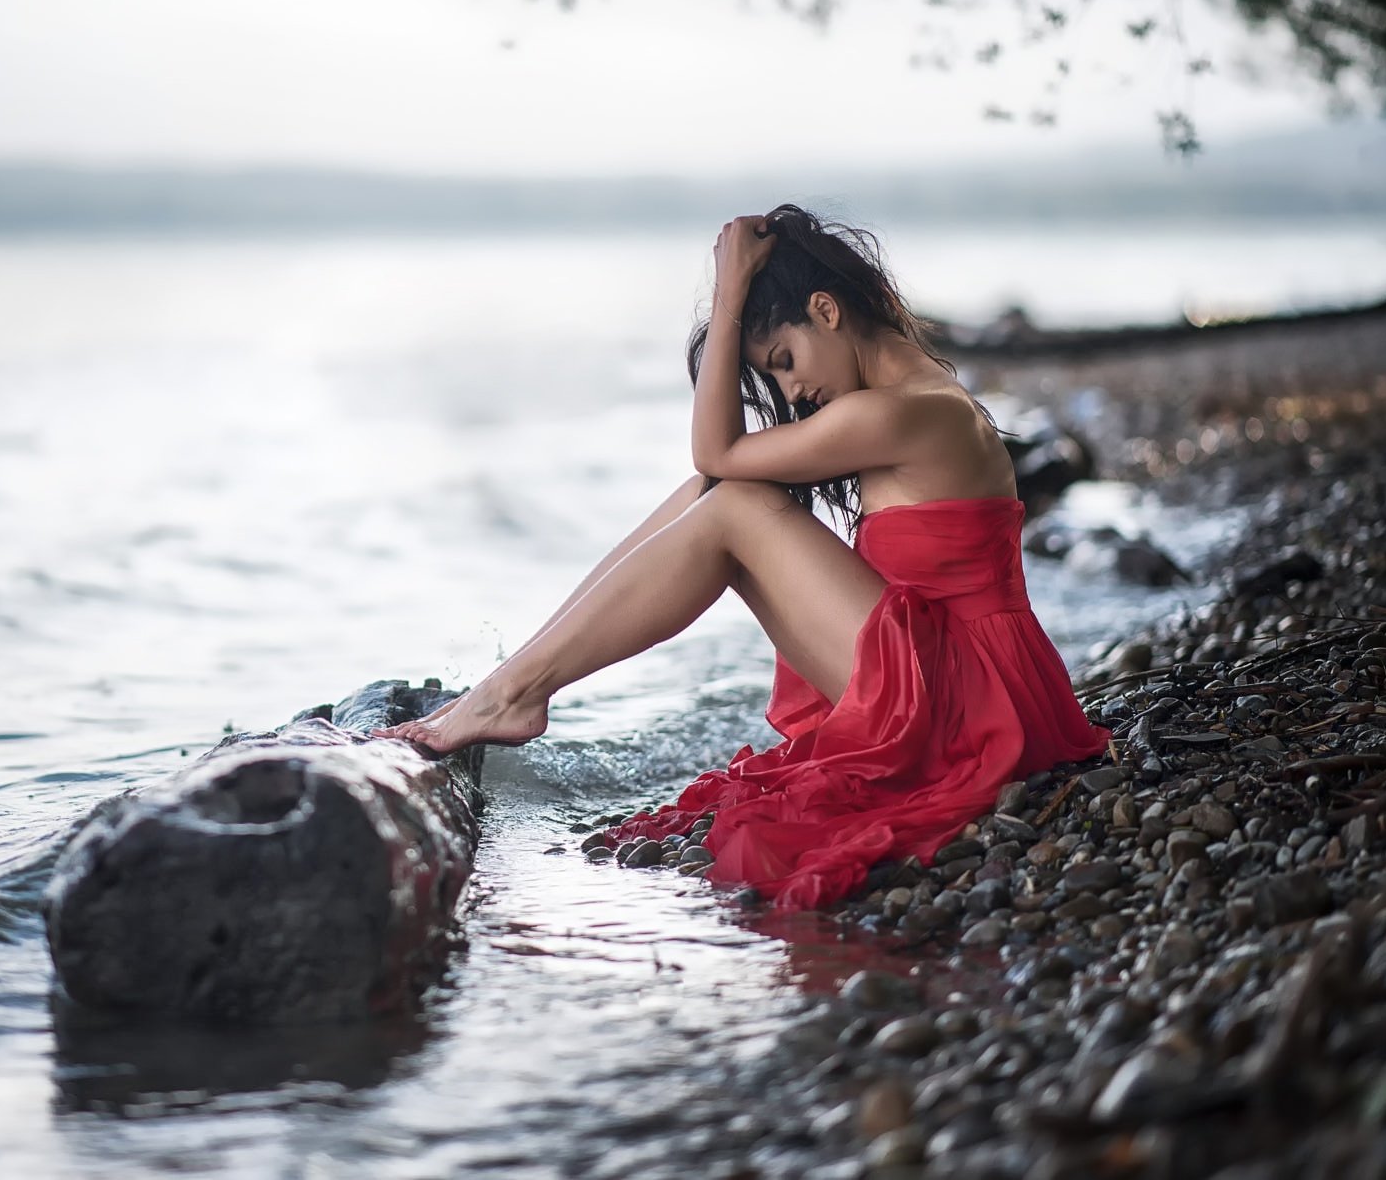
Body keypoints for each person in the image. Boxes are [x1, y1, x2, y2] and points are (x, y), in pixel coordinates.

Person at [373, 204, 1109, 908]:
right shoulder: (913, 402)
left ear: (828, 309)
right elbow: (715, 463)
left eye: (785, 360)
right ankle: (513, 682)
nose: (793, 389)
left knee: (728, 497)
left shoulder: (907, 410)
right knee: (715, 489)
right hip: (968, 675)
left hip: (965, 699)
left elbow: (715, 445)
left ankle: (514, 692)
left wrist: (728, 298)